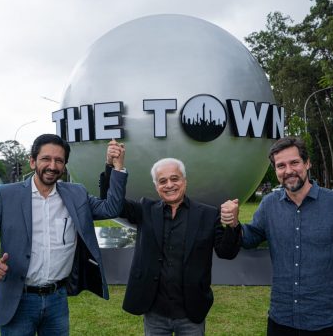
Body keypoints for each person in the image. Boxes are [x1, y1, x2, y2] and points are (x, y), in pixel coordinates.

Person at [221, 136, 333, 335]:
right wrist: (233, 223)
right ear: (275, 170)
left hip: (331, 323)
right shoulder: (269, 205)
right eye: (281, 165)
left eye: (294, 162)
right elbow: (250, 237)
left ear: (307, 163)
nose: (289, 171)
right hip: (281, 321)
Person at [0, 134, 127, 335]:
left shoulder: (76, 194)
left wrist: (116, 167)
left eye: (59, 160)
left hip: (57, 300)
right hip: (17, 300)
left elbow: (111, 208)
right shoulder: (6, 195)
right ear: (32, 161)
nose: (52, 166)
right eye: (46, 159)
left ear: (64, 165)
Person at [102, 141, 241, 335]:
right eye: (162, 181)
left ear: (185, 180)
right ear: (156, 186)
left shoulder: (208, 215)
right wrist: (113, 167)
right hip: (155, 313)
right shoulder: (145, 210)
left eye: (174, 178)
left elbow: (227, 252)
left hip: (192, 312)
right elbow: (112, 203)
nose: (169, 185)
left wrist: (233, 224)